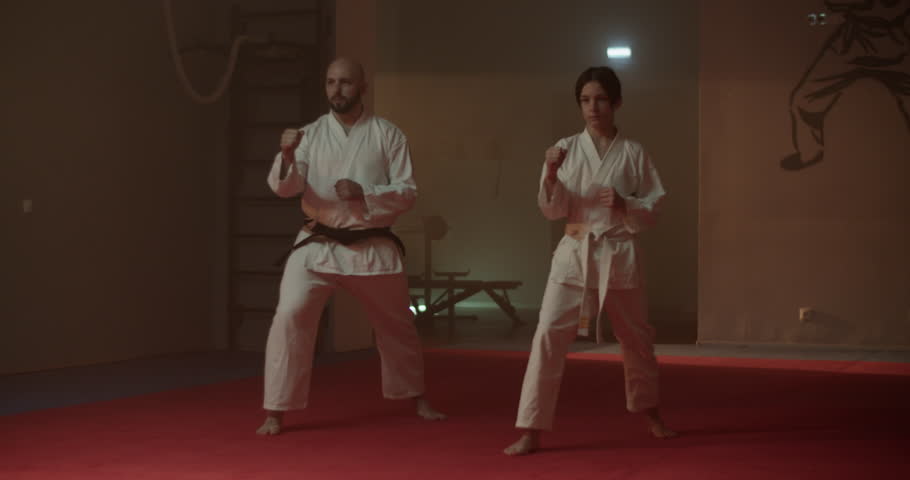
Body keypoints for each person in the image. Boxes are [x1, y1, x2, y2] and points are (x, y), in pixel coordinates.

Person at [256, 58, 446, 436]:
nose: (337, 90)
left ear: (362, 87)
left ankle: (415, 395)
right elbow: (284, 188)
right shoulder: (308, 135)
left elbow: (407, 192)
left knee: (397, 325)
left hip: (371, 243)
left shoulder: (387, 134)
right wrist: (289, 157)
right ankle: (276, 409)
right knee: (290, 315)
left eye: (345, 82)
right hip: (318, 243)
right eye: (330, 82)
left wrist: (366, 193)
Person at [503, 66, 676, 455]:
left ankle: (650, 413)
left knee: (637, 339)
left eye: (600, 99)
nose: (592, 107)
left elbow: (656, 206)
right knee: (547, 335)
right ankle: (531, 428)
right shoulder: (563, 149)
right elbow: (552, 210)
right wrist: (549, 172)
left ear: (616, 102)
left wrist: (624, 203)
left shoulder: (634, 152)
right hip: (575, 251)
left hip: (618, 250)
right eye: (585, 100)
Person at [782, 0, 910, 170]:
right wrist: (818, 18)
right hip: (853, 41)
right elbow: (833, 13)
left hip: (894, 44)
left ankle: (810, 153)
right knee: (803, 99)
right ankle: (809, 152)